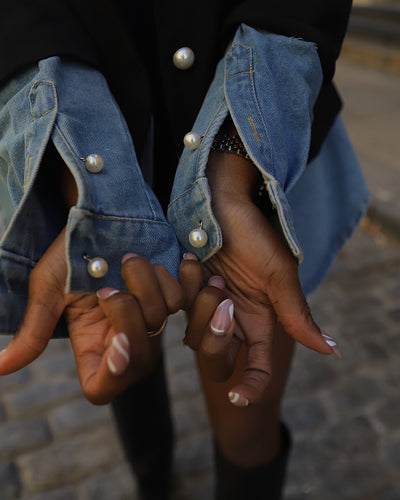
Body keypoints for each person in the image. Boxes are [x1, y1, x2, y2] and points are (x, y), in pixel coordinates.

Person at [0, 1, 369, 499]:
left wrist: (236, 162)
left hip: (253, 126)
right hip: (101, 120)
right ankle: (154, 484)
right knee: (128, 340)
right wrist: (90, 185)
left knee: (245, 423)